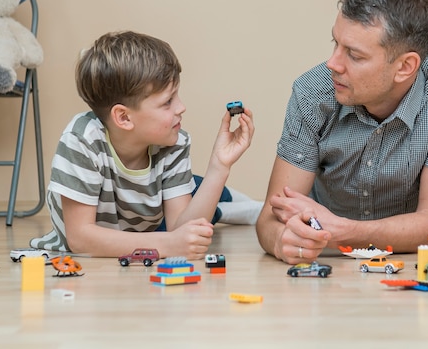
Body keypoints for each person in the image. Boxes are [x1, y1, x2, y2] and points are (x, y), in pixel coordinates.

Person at [256, 0, 428, 264]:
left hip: (398, 258)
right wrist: (281, 241)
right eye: (335, 43)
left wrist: (343, 231)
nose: (333, 64)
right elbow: (268, 222)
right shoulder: (312, 92)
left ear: (405, 67)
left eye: (354, 55)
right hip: (326, 253)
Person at [30, 31, 258, 259]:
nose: (181, 107)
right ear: (124, 118)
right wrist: (168, 244)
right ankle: (225, 210)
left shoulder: (173, 142)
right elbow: (80, 239)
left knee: (199, 186)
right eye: (168, 101)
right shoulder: (81, 140)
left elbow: (181, 232)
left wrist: (220, 166)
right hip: (143, 229)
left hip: (144, 225)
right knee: (200, 196)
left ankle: (240, 205)